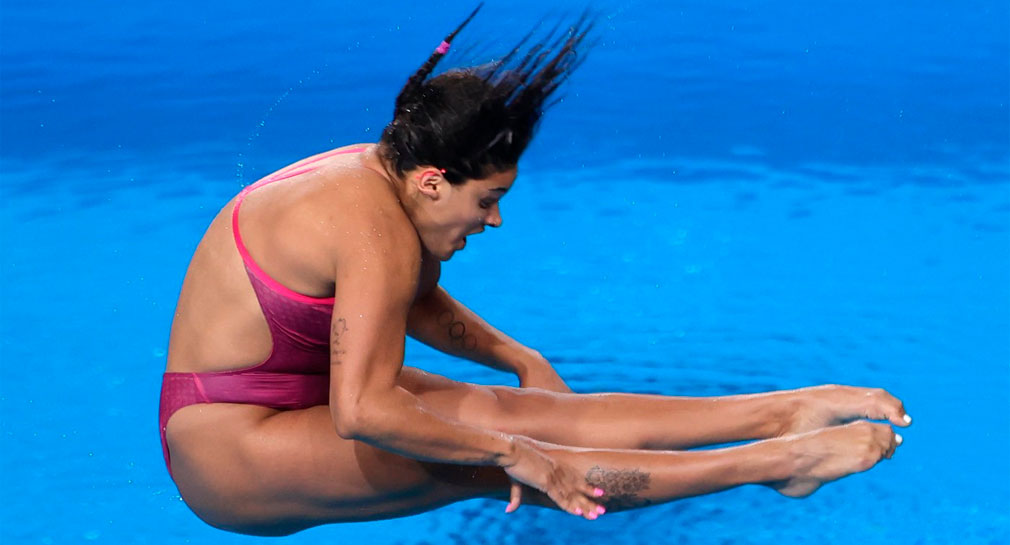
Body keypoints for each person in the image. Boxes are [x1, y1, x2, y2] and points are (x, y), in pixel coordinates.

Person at [159, 6, 911, 537]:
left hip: (297, 396)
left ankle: (780, 411)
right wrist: (516, 456)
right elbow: (360, 411)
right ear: (432, 181)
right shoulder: (371, 223)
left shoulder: (380, 174)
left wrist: (521, 359)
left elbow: (405, 304)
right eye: (487, 199)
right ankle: (779, 458)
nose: (493, 221)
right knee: (502, 460)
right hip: (232, 451)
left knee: (508, 410)